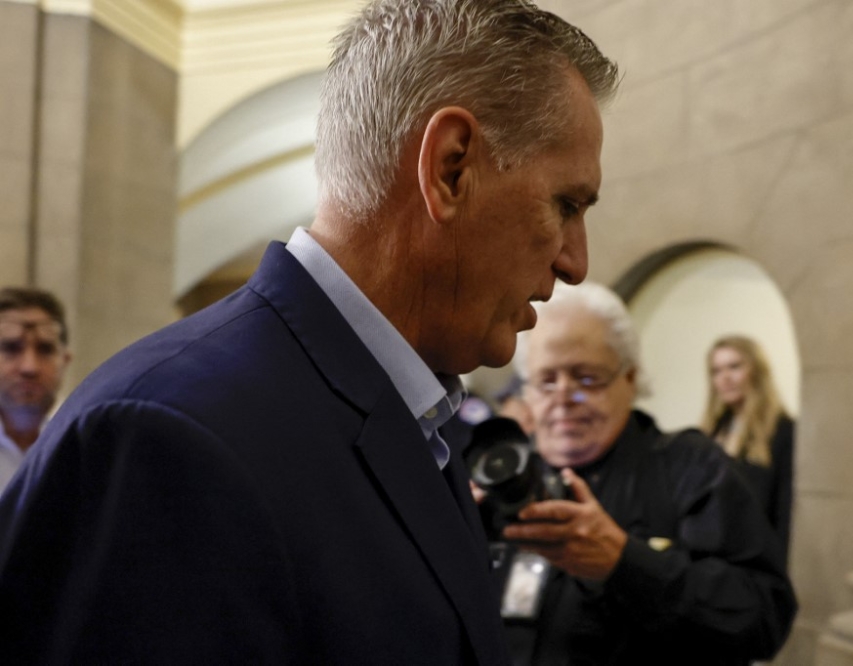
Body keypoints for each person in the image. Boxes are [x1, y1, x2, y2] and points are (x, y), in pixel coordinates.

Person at [0, 1, 619, 663]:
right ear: (451, 168)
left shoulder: (410, 416)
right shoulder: (168, 438)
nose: (575, 263)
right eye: (565, 204)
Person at [485, 282, 796, 665]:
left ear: (630, 378)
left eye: (587, 378)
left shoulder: (692, 468)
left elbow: (763, 618)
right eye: (546, 381)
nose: (563, 397)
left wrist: (625, 562)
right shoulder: (506, 480)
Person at [701, 335, 795, 567]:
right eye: (716, 370)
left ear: (756, 371)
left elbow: (784, 513)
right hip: (710, 562)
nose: (725, 377)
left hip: (755, 563)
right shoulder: (711, 431)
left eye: (734, 367)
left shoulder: (783, 430)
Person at [0, 288, 71, 492]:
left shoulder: (86, 442)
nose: (29, 367)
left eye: (45, 349)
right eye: (12, 348)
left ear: (65, 360)